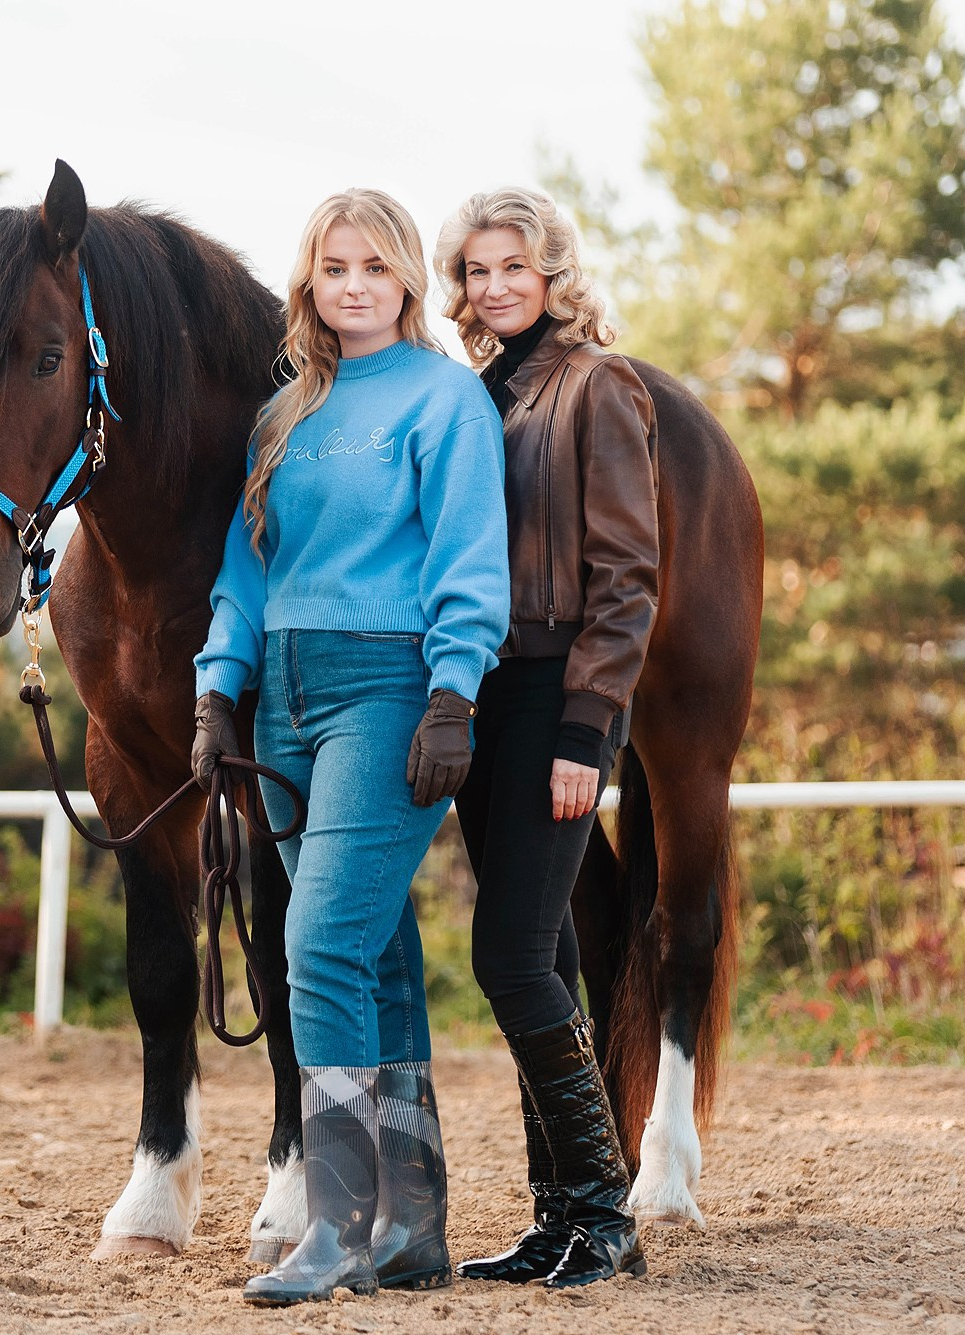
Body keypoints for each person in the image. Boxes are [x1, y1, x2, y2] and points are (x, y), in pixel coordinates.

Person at [189, 188, 510, 1306]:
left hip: (386, 689)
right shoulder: (284, 415)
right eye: (334, 268)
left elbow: (470, 560)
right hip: (279, 694)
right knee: (369, 954)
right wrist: (215, 695)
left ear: (408, 279)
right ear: (310, 284)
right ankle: (411, 1229)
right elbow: (246, 567)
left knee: (317, 941)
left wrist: (450, 697)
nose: (354, 285)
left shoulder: (445, 402)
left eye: (375, 266)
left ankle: (330, 1229)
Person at [433, 187, 660, 1288]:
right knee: (554, 956)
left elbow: (626, 578)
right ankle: (555, 1218)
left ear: (551, 271)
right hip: (486, 695)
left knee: (510, 957)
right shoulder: (482, 389)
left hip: (557, 699)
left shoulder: (595, 385)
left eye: (511, 267)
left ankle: (607, 1219)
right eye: (475, 271)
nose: (492, 287)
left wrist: (589, 730)